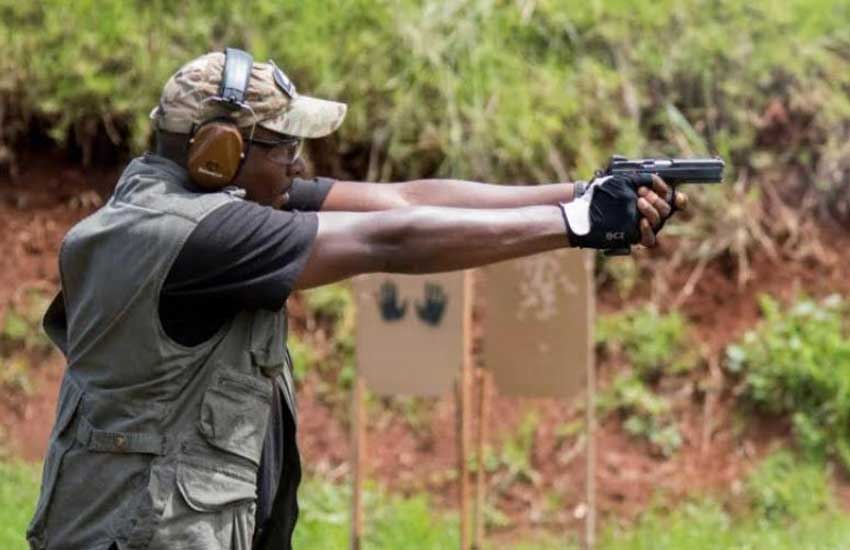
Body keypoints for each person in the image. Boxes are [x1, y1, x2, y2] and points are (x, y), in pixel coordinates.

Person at [27, 48, 687, 550]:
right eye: (283, 145)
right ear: (217, 151)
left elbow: (409, 199)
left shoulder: (212, 201)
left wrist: (580, 193)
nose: (299, 163)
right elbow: (391, 240)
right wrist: (577, 227)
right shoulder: (197, 234)